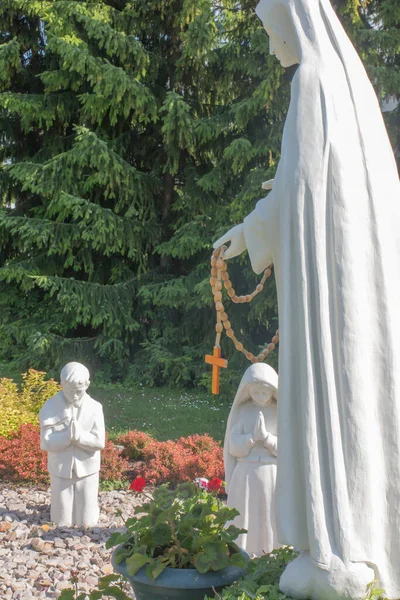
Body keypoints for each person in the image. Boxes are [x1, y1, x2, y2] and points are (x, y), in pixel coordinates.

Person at [214, 0, 400, 598]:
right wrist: (253, 228)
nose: (273, 49)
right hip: (347, 283)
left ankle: (338, 544)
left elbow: (306, 193)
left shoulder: (315, 85)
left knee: (335, 398)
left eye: (273, 34)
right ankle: (350, 541)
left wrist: (254, 228)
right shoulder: (348, 89)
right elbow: (307, 187)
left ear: (296, 25)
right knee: (356, 402)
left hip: (333, 298)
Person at [39, 362, 105, 527]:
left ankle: (90, 511)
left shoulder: (95, 408)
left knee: (87, 521)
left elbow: (99, 442)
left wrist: (80, 437)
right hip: (61, 467)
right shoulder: (50, 407)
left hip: (87, 469)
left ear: (87, 385)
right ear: (62, 384)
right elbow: (46, 442)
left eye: (79, 391)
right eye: (70, 391)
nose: (75, 396)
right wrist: (66, 438)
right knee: (62, 521)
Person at [224, 363, 280, 556]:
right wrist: (250, 439)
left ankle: (273, 555)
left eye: (264, 393)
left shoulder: (280, 412)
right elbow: (232, 445)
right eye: (255, 392)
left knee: (269, 516)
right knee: (244, 517)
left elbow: (287, 448)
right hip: (245, 474)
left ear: (272, 391)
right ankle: (241, 554)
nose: (259, 397)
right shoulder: (242, 411)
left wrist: (266, 438)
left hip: (271, 472)